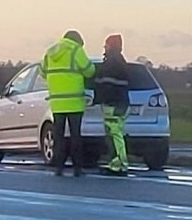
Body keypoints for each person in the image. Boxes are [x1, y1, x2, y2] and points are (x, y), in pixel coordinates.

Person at [40, 30, 95, 177]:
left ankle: (59, 167)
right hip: (74, 101)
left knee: (58, 136)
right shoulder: (76, 50)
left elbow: (42, 73)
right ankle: (77, 168)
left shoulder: (50, 52)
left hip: (57, 102)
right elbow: (90, 71)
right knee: (75, 135)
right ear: (77, 40)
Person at [93, 34, 130, 175]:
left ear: (111, 46)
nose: (105, 47)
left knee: (114, 134)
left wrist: (98, 97)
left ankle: (119, 163)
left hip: (113, 104)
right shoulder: (120, 61)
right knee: (114, 133)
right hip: (120, 102)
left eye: (106, 45)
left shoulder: (111, 63)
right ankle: (116, 162)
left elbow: (105, 84)